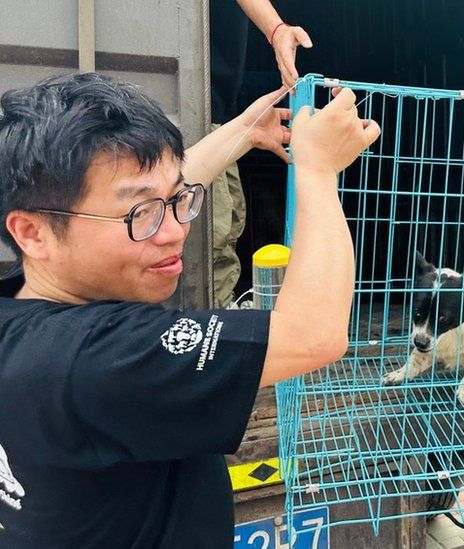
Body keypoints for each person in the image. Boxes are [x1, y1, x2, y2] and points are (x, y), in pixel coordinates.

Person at [0, 72, 379, 547]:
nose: (175, 230)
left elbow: (148, 197)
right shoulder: (98, 358)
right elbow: (313, 335)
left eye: (177, 199)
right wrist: (319, 171)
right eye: (141, 214)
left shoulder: (19, 311)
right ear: (32, 233)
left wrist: (244, 130)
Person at [211, 0, 313, 307]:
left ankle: (221, 313)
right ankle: (216, 324)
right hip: (202, 103)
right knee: (215, 229)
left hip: (218, 112)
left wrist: (276, 30)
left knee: (228, 221)